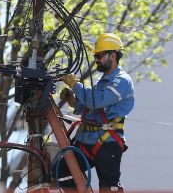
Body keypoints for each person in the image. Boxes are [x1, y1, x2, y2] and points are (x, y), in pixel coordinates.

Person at [57, 33, 135, 192]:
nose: (96, 59)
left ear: (113, 55)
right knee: (62, 171)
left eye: (99, 55)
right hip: (87, 140)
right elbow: (91, 108)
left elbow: (98, 101)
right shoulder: (102, 82)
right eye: (95, 56)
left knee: (108, 187)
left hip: (107, 143)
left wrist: (75, 85)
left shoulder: (122, 80)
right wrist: (74, 102)